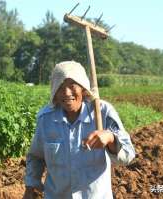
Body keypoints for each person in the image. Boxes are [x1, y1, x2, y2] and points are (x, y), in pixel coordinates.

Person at [23, 61, 135, 199]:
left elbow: (128, 155)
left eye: (72, 85)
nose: (66, 93)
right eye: (60, 87)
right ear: (54, 92)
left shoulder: (103, 113)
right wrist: (31, 187)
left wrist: (111, 138)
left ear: (82, 88)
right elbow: (36, 157)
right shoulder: (46, 119)